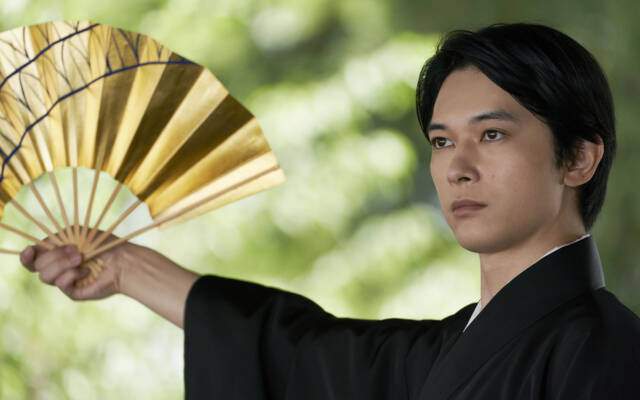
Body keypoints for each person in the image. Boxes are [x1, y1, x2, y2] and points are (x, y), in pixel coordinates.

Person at [20, 22, 640, 399]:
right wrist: (125, 267)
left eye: (493, 134)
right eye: (442, 141)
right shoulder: (443, 351)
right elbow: (299, 351)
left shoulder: (606, 351)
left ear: (578, 159)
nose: (457, 166)